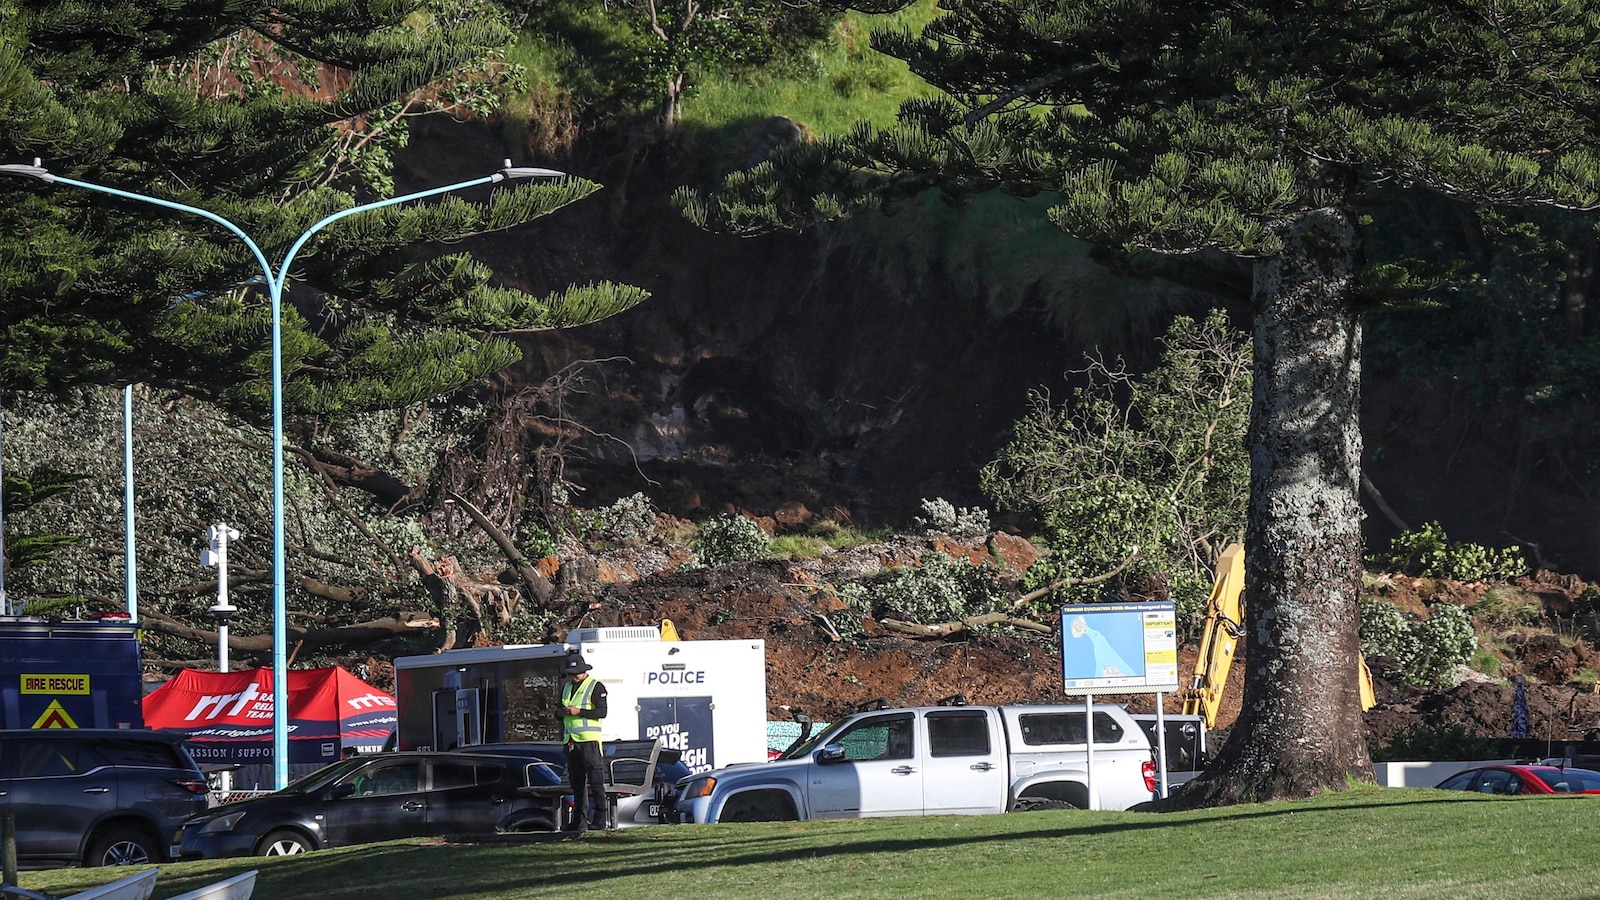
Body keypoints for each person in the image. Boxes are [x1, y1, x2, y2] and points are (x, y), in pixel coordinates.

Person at [561, 652, 608, 834]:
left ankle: (599, 820)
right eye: (571, 674)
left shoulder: (595, 686)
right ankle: (579, 821)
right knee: (577, 784)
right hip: (571, 741)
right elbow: (559, 709)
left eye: (576, 673)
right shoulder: (567, 688)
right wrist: (561, 712)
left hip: (589, 742)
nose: (574, 676)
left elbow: (602, 712)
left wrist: (579, 711)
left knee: (596, 782)